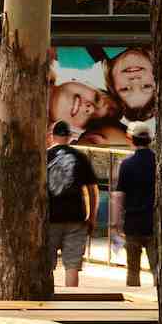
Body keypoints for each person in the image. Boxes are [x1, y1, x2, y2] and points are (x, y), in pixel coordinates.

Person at [44, 120, 99, 288]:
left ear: (51, 137)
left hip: (50, 218)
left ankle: (47, 299)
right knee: (72, 265)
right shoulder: (80, 157)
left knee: (47, 265)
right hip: (76, 217)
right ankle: (71, 300)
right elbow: (92, 189)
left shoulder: (43, 156)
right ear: (69, 137)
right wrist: (92, 217)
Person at [112, 120, 156, 287]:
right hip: (154, 221)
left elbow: (118, 196)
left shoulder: (126, 164)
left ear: (130, 138)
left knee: (132, 269)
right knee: (158, 267)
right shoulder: (158, 162)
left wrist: (115, 223)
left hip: (132, 222)